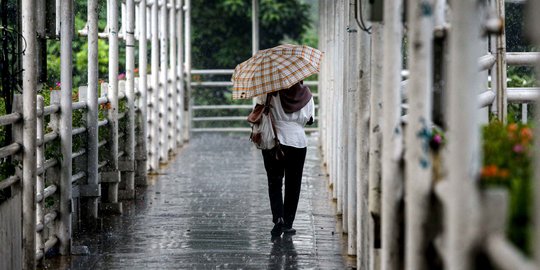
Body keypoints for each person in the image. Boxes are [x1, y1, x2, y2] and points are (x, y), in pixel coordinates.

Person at [261, 81, 315, 237]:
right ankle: (288, 223)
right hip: (297, 142)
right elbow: (310, 119)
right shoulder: (307, 94)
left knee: (274, 181)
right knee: (293, 183)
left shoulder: (270, 92)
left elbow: (261, 112)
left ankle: (278, 218)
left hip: (273, 140)